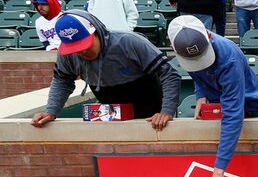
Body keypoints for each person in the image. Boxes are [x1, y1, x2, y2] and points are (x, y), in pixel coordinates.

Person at [167, 15, 258, 177]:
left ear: (208, 37)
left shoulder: (228, 57)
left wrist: (218, 172)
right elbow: (197, 73)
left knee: (250, 173)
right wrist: (200, 95)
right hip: (216, 103)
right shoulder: (185, 48)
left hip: (250, 106)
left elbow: (233, 115)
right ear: (173, 48)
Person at [31, 11, 180, 129]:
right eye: (75, 49)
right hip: (112, 114)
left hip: (152, 110)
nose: (82, 52)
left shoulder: (129, 42)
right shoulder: (67, 55)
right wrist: (51, 111)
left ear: (97, 32)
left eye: (85, 46)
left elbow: (169, 74)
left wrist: (166, 111)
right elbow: (62, 81)